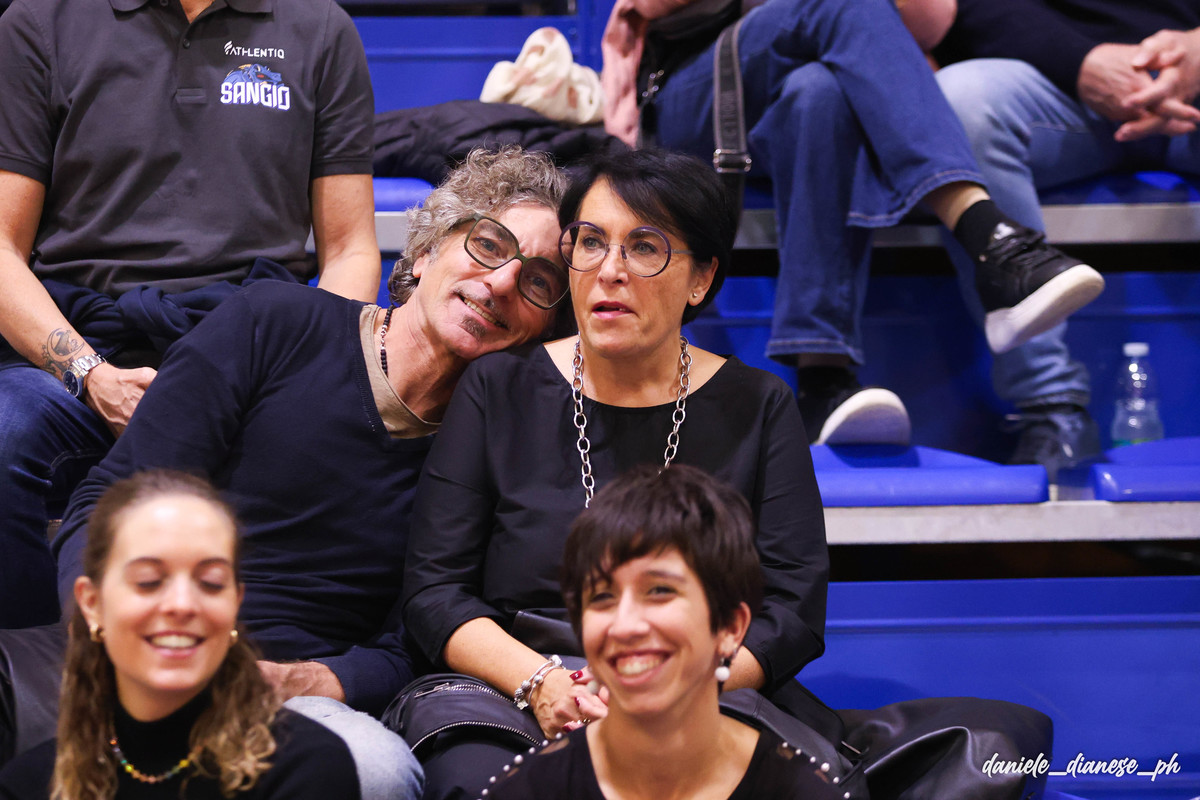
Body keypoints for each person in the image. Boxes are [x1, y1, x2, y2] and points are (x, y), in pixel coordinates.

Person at [401, 148, 1050, 800]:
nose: (610, 271)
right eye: (591, 242)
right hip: (512, 683)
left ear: (701, 279)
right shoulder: (499, 387)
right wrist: (541, 681)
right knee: (482, 781)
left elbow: (792, 609)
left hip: (700, 682)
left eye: (645, 248)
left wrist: (671, 687)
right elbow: (435, 589)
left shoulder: (758, 405)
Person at [39, 148, 568, 794]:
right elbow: (113, 499)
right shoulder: (273, 321)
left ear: (544, 327)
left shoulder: (497, 448)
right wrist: (105, 633)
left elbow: (423, 637)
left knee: (374, 773)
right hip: (146, 636)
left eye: (538, 281)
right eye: (488, 245)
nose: (504, 282)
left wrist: (310, 679)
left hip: (296, 696)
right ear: (426, 251)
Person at [0, 0, 380, 629]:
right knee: (6, 433)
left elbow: (349, 249)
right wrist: (92, 377)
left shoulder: (320, 29)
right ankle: (40, 671)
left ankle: (261, 669)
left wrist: (303, 385)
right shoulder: (39, 22)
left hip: (250, 358)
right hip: (83, 353)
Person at [598, 0, 1106, 456]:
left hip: (802, 90)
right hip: (691, 80)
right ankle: (989, 238)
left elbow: (933, 21)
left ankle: (822, 377)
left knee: (817, 92)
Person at [932, 0, 1200, 478]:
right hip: (1055, 82)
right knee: (960, 99)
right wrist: (1079, 61)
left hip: (1192, 73)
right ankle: (1051, 408)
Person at [483, 464, 845, 800]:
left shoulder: (799, 792)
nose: (625, 625)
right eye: (602, 597)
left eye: (659, 591)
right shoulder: (529, 790)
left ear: (731, 628)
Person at [0, 470, 363, 799]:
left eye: (211, 583)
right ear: (92, 604)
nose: (182, 604)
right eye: (148, 581)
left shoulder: (307, 768)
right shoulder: (29, 782)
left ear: (235, 603)